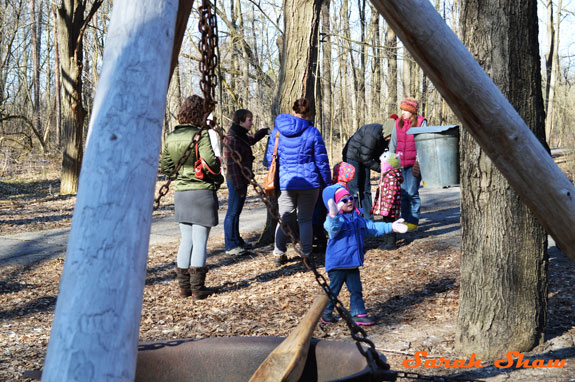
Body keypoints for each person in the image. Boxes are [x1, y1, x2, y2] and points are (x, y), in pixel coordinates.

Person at [160, 95, 224, 300]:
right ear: (200, 113)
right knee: (199, 241)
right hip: (201, 192)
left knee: (186, 240)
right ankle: (198, 288)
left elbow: (166, 168)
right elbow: (211, 162)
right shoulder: (201, 135)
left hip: (181, 193)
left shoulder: (170, 137)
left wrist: (181, 174)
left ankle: (183, 287)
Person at [320, 184, 408, 326]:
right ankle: (326, 312)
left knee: (356, 289)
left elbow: (372, 227)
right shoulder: (336, 220)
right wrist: (333, 215)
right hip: (338, 264)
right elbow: (332, 228)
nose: (349, 201)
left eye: (350, 198)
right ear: (336, 204)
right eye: (343, 200)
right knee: (334, 289)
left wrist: (391, 226)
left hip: (353, 263)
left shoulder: (357, 219)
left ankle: (358, 313)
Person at [266, 98, 332, 266]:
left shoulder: (278, 131)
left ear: (293, 111)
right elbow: (322, 162)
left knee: (285, 218)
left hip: (287, 181)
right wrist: (326, 182)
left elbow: (270, 159)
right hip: (310, 183)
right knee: (305, 219)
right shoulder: (312, 132)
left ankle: (279, 253)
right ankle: (306, 253)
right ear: (308, 114)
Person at [223, 109, 269, 256]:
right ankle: (231, 245)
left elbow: (252, 139)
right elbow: (232, 166)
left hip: (241, 180)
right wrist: (238, 185)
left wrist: (264, 132)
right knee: (232, 213)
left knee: (236, 212)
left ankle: (237, 241)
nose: (251, 122)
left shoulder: (240, 136)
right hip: (236, 180)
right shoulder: (232, 139)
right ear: (240, 121)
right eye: (249, 120)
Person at [387, 97, 428, 231]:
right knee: (403, 193)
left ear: (412, 111)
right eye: (402, 110)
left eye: (405, 110)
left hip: (414, 164)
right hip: (400, 164)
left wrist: (420, 161)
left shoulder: (421, 122)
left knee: (412, 192)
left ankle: (413, 221)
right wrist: (391, 162)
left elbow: (424, 143)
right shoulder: (398, 123)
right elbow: (393, 143)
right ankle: (404, 220)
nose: (402, 112)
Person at [342, 122, 394, 221]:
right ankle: (356, 218)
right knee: (355, 189)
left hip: (365, 158)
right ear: (387, 133)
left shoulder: (383, 138)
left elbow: (377, 154)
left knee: (366, 188)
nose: (390, 140)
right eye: (390, 137)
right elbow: (366, 157)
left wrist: (386, 165)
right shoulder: (372, 135)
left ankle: (368, 218)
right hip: (352, 156)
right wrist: (381, 169)